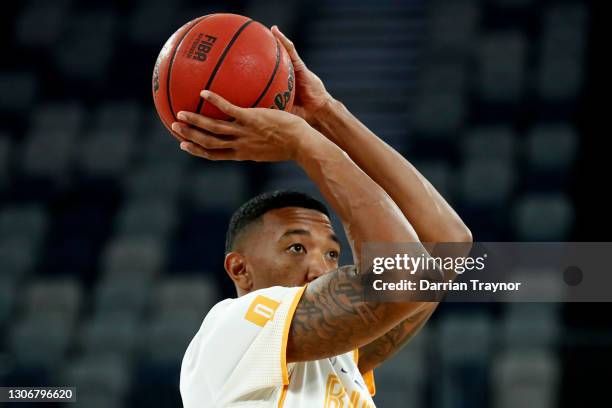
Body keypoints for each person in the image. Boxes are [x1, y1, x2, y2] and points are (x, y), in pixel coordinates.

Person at [172, 26, 471, 408]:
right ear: (239, 269)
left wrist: (326, 112)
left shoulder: (336, 356)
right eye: (296, 247)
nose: (320, 268)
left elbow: (448, 244)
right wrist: (303, 141)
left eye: (332, 253)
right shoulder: (231, 328)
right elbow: (406, 275)